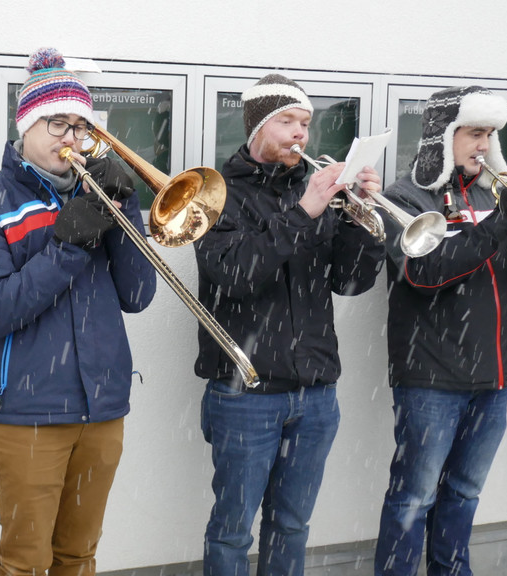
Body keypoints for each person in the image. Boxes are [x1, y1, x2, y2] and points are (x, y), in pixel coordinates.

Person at [0, 47, 156, 576]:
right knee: (24, 561)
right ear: (26, 125)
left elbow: (138, 295)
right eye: (56, 123)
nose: (71, 137)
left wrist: (125, 206)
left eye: (81, 126)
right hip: (26, 410)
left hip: (104, 406)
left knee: (79, 556)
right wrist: (68, 244)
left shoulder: (99, 196)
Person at [193, 73, 386, 576]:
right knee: (233, 531)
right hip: (245, 393)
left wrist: (362, 220)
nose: (300, 134)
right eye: (287, 121)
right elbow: (235, 274)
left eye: (305, 123)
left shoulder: (316, 190)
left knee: (293, 525)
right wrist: (303, 213)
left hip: (317, 392)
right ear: (256, 125)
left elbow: (350, 282)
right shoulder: (214, 192)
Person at [373, 86, 507, 576]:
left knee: (465, 491)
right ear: (444, 136)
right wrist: (501, 224)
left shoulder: (494, 193)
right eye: (474, 133)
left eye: (489, 134)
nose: (484, 145)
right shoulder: (407, 196)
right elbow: (426, 273)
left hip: (494, 376)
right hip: (431, 377)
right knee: (414, 497)